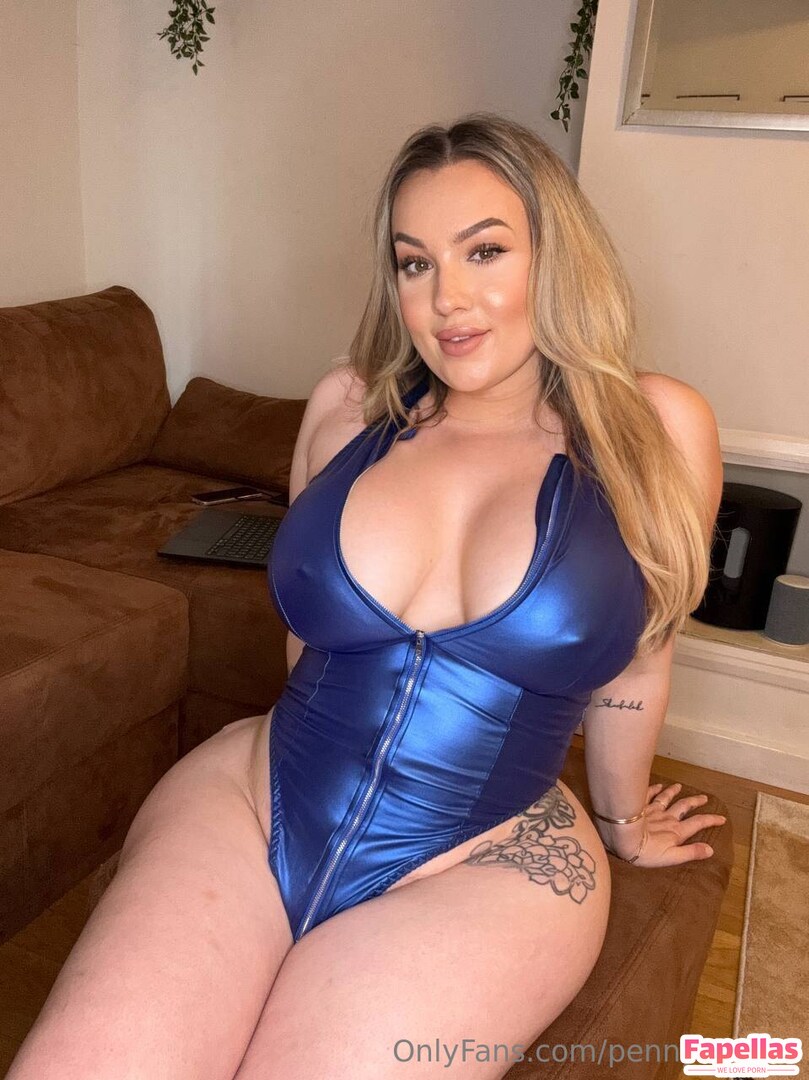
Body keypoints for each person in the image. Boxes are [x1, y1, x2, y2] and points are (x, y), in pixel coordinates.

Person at [8, 112, 726, 1080]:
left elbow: (639, 655)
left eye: (484, 251)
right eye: (414, 262)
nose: (446, 299)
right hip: (253, 804)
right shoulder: (346, 409)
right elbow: (308, 645)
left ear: (556, 255)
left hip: (483, 856)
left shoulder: (656, 427)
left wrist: (622, 819)